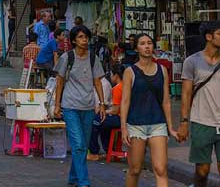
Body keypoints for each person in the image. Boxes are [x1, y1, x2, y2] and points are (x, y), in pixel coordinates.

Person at [120, 33, 176, 187]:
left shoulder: (162, 70)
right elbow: (125, 101)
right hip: (136, 125)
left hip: (158, 124)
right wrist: (124, 127)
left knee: (161, 169)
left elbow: (166, 101)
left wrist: (170, 127)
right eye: (143, 43)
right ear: (137, 48)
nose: (147, 46)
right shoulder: (130, 72)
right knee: (135, 169)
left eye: (149, 43)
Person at [53, 25, 106, 187]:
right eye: (81, 37)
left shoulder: (93, 58)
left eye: (86, 37)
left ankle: (73, 178)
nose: (84, 40)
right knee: (79, 145)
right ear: (74, 40)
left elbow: (98, 81)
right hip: (70, 107)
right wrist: (57, 105)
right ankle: (84, 182)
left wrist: (102, 103)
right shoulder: (67, 58)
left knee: (82, 145)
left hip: (88, 107)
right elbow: (60, 81)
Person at [179, 20, 220, 187]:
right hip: (201, 121)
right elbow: (186, 94)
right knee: (202, 171)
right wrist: (183, 122)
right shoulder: (192, 61)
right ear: (209, 37)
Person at [88, 64, 123, 160]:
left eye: (111, 74)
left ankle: (94, 152)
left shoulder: (115, 88)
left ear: (116, 76)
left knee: (95, 121)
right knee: (102, 122)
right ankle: (108, 151)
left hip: (120, 118)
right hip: (123, 117)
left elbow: (115, 110)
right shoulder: (123, 86)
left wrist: (105, 112)